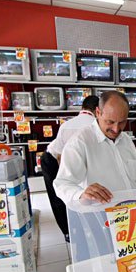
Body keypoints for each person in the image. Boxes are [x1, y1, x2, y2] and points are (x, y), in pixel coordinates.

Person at [54, 90, 136, 204]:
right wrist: (81, 194)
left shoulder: (126, 140)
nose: (116, 129)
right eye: (110, 122)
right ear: (98, 113)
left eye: (122, 122)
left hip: (132, 214)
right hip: (101, 216)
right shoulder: (80, 142)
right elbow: (62, 184)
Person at [42, 95, 98, 242]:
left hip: (54, 157)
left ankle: (68, 231)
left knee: (66, 194)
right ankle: (70, 231)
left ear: (83, 108)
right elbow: (62, 157)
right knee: (62, 192)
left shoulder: (66, 124)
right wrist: (67, 178)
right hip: (54, 161)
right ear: (97, 110)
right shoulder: (95, 124)